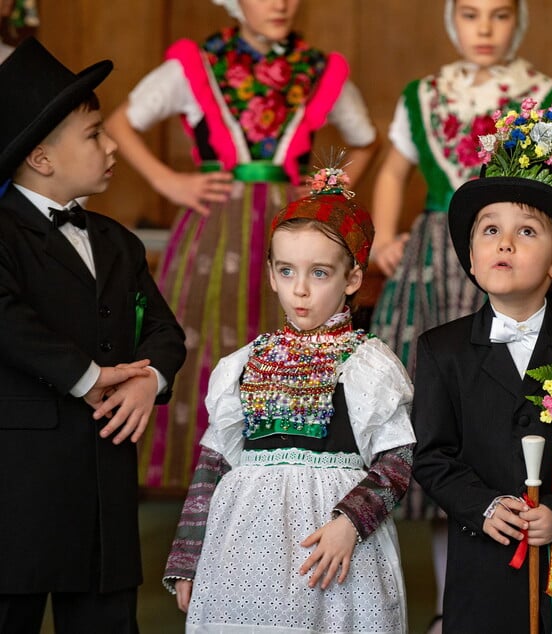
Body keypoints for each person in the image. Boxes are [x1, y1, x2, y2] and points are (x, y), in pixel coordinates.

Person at [105, 0, 378, 490]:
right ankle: (200, 482)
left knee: (285, 326)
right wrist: (168, 182)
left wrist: (326, 188)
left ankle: (282, 468)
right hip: (216, 227)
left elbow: (366, 139)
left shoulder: (317, 70)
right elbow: (122, 122)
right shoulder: (198, 65)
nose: (280, 3)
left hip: (292, 229)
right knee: (204, 334)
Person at [162, 165, 415, 633]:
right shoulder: (242, 364)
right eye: (287, 271)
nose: (300, 289)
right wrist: (188, 556)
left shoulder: (368, 364)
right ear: (272, 276)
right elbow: (212, 465)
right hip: (244, 545)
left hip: (333, 547)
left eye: (319, 273)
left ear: (352, 277)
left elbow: (397, 461)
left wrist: (350, 523)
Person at [412, 99, 552, 634]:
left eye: (527, 231)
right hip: (482, 566)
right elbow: (432, 456)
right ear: (470, 254)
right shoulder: (443, 349)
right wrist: (483, 507)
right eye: (490, 230)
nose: (504, 242)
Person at [0, 38, 186, 632]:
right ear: (41, 158)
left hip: (104, 482)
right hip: (20, 483)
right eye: (95, 135)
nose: (112, 147)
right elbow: (5, 317)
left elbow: (162, 328)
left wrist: (148, 380)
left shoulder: (116, 241)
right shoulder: (2, 234)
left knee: (107, 621)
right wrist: (89, 376)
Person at [371, 0, 552, 377]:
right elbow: (392, 173)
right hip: (434, 257)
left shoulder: (550, 99)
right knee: (438, 365)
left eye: (500, 15)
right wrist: (383, 240)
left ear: (519, 20)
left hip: (526, 252)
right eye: (470, 14)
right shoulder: (423, 96)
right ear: (452, 20)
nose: (485, 29)